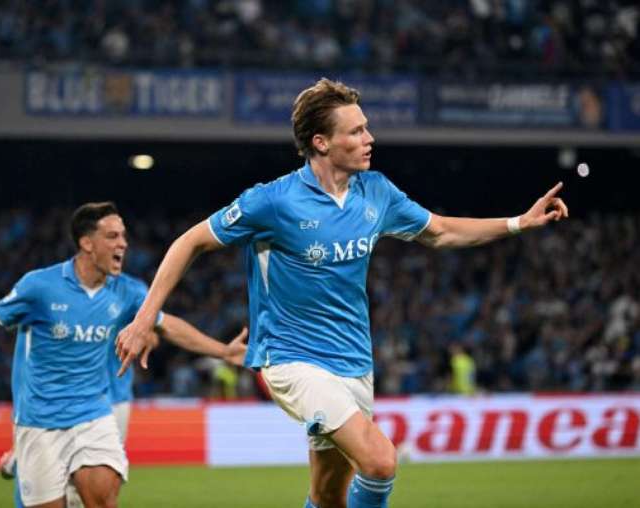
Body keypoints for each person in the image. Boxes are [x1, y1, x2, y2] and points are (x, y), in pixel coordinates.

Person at [115, 78, 569, 508]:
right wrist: (143, 319)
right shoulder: (273, 201)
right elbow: (190, 242)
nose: (370, 138)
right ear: (321, 142)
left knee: (329, 495)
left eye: (366, 127)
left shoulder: (377, 192)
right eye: (356, 131)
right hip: (291, 358)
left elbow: (442, 231)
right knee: (380, 461)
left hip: (353, 361)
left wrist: (519, 222)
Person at [0, 202, 247, 508]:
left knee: (102, 495)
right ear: (87, 243)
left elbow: (168, 325)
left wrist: (222, 350)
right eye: (112, 236)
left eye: (124, 236)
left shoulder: (128, 291)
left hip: (93, 413)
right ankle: (24, 461)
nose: (123, 243)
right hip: (39, 421)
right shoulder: (40, 287)